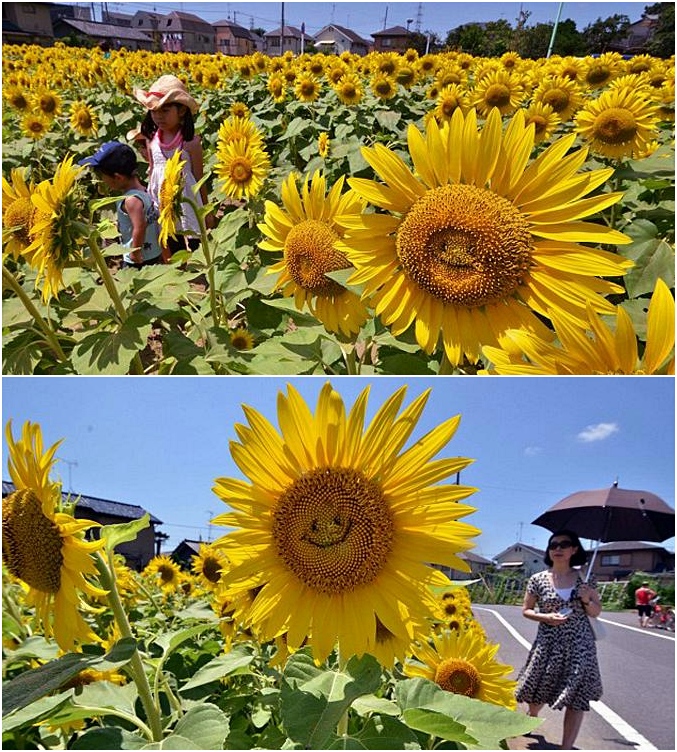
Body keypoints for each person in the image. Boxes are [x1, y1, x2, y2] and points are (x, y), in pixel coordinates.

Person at [515, 530, 603, 750]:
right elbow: (526, 610)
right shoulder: (538, 579)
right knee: (538, 690)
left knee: (577, 696)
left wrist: (586, 599)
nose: (558, 549)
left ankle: (566, 747)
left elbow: (595, 611)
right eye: (553, 545)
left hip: (580, 646)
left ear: (574, 549)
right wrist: (545, 617)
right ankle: (532, 714)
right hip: (548, 644)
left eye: (564, 544)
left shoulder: (585, 578)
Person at [133, 74, 212, 260]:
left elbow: (198, 178)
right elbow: (153, 172)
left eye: (165, 110)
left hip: (188, 200)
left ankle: (204, 273)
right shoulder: (151, 141)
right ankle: (181, 275)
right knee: (172, 240)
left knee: (196, 241)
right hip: (165, 202)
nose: (158, 116)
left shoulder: (190, 143)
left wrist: (208, 211)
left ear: (182, 111)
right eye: (154, 111)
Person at [79, 141, 162, 269]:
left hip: (139, 258)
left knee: (131, 284)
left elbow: (140, 227)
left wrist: (135, 252)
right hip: (153, 252)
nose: (102, 180)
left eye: (102, 176)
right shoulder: (143, 190)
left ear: (118, 178)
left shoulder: (131, 200)